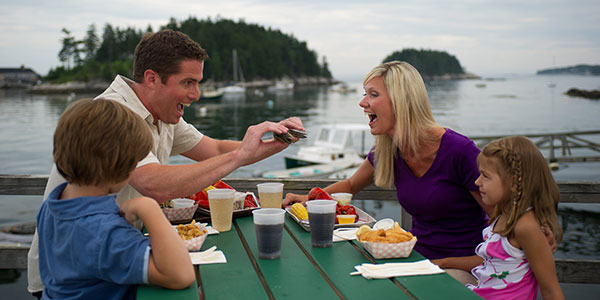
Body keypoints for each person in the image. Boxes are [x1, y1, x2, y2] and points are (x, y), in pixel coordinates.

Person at [28, 29, 304, 297]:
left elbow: (216, 149)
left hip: (106, 261)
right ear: (152, 78)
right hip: (83, 268)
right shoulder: (114, 119)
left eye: (198, 83)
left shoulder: (163, 113)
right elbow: (152, 183)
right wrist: (239, 156)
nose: (196, 94)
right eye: (188, 82)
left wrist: (276, 142)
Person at [283, 61, 490, 282]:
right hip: (413, 262)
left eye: (373, 95)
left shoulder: (460, 151)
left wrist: (446, 263)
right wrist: (309, 199)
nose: (363, 103)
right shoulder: (388, 150)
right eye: (365, 94)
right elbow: (351, 186)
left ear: (401, 101)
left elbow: (504, 222)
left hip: (463, 270)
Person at [37, 99, 195, 300]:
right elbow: (180, 275)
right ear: (123, 169)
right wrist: (149, 208)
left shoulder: (53, 205)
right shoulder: (107, 233)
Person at [463, 136, 564, 299]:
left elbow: (551, 290)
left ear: (514, 183)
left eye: (485, 176)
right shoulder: (501, 216)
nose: (477, 181)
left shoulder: (525, 226)